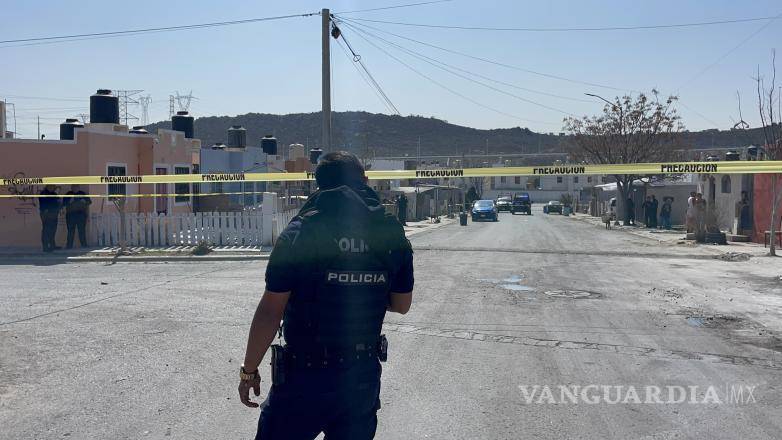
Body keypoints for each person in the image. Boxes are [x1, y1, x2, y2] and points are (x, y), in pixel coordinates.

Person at [238, 151, 414, 440]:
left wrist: (249, 371)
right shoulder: (390, 232)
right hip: (360, 379)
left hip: (303, 380)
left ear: (318, 185)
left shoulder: (301, 231)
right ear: (366, 180)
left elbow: (271, 311)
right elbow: (401, 305)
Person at [63, 184, 91, 249]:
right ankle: (69, 246)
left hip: (81, 215)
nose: (75, 189)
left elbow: (89, 202)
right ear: (71, 188)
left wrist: (85, 201)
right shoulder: (68, 194)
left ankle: (84, 245)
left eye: (76, 187)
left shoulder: (82, 193)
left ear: (79, 188)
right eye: (74, 187)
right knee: (70, 231)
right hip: (71, 215)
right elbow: (64, 203)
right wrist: (69, 201)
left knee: (82, 231)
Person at [38, 185, 61, 252]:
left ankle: (52, 245)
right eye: (50, 187)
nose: (52, 188)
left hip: (53, 214)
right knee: (46, 231)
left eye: (52, 187)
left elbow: (58, 202)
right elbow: (45, 203)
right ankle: (45, 247)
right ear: (47, 187)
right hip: (47, 214)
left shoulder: (54, 194)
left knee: (53, 230)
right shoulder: (43, 193)